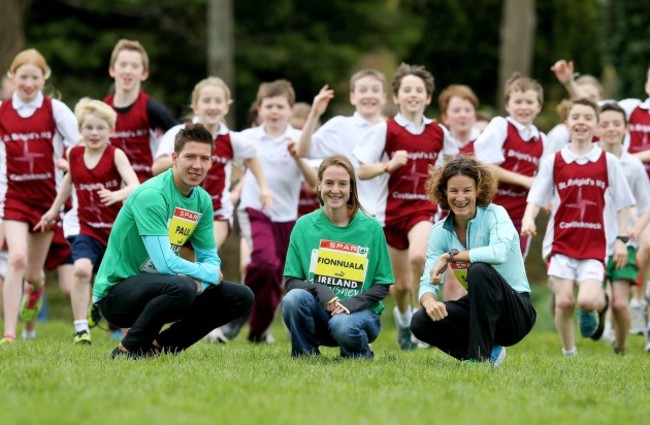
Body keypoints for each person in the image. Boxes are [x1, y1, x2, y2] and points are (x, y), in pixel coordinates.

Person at [92, 123, 254, 358]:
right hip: (117, 295)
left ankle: (159, 348)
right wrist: (203, 274)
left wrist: (205, 278)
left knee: (241, 297)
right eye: (190, 157)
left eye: (204, 158)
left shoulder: (202, 200)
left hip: (165, 287)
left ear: (211, 162)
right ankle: (128, 349)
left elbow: (209, 257)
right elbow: (165, 263)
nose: (197, 165)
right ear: (175, 158)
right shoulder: (152, 195)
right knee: (183, 286)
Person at [353, 63, 458, 350]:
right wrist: (389, 165)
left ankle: (420, 323)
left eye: (419, 90)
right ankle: (403, 318)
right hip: (390, 213)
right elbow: (361, 171)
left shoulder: (438, 132)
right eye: (407, 90)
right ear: (396, 97)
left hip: (423, 210)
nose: (413, 94)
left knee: (419, 257)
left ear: (427, 98)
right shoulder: (386, 130)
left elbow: (455, 163)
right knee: (397, 285)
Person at [521, 98, 634, 357]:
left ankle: (589, 312)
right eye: (576, 118)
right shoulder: (555, 161)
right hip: (561, 242)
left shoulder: (608, 162)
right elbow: (537, 196)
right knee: (564, 301)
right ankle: (569, 352)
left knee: (585, 300)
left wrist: (621, 238)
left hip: (595, 244)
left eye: (587, 118)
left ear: (596, 127)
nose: (581, 122)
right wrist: (528, 219)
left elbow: (623, 203)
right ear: (567, 123)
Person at [410, 156, 536, 366]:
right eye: (453, 191)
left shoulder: (496, 214)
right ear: (444, 192)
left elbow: (498, 253)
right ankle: (487, 355)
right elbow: (427, 281)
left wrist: (452, 256)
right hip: (478, 308)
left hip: (515, 312)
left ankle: (479, 358)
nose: (460, 197)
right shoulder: (440, 231)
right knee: (420, 321)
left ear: (478, 190)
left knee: (478, 270)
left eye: (467, 190)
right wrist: (429, 300)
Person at [35, 98, 140, 344]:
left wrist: (117, 194)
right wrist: (52, 212)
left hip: (115, 231)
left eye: (100, 128)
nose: (94, 133)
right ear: (80, 130)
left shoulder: (116, 155)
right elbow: (67, 184)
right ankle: (81, 327)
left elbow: (135, 185)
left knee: (119, 281)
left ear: (111, 131)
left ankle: (127, 331)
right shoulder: (74, 154)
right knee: (81, 269)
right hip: (86, 228)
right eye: (89, 128)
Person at [0, 48, 81, 344]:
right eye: (23, 77)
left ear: (43, 78)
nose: (28, 83)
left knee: (33, 275)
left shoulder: (55, 110)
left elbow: (79, 147)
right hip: (14, 197)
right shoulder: (2, 111)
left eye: (35, 77)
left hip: (47, 200)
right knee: (16, 259)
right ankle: (9, 331)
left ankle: (30, 329)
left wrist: (67, 160)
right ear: (13, 77)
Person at [282, 155, 393, 358]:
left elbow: (382, 286)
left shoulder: (372, 228)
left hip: (360, 315)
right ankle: (305, 356)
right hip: (320, 316)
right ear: (318, 185)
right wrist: (319, 288)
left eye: (342, 184)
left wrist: (350, 304)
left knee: (341, 324)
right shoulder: (303, 226)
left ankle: (358, 353)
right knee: (293, 299)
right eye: (329, 183)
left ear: (351, 188)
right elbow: (290, 282)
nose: (335, 190)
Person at [236, 80, 317, 343]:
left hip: (286, 218)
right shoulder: (247, 138)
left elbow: (313, 183)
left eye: (280, 106)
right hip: (255, 210)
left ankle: (258, 330)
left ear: (290, 110)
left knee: (274, 274)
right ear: (259, 109)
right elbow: (229, 164)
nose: (274, 111)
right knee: (265, 263)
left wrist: (298, 157)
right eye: (268, 106)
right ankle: (238, 309)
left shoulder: (298, 140)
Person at [151, 77, 271, 249]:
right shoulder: (179, 133)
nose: (213, 106)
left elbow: (251, 157)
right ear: (196, 106)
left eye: (218, 101)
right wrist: (185, 158)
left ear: (226, 107)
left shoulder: (232, 139)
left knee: (206, 256)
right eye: (207, 101)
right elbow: (156, 167)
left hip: (216, 213)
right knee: (180, 268)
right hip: (181, 211)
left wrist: (264, 187)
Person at [473, 73, 549, 259]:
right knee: (486, 265)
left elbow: (544, 182)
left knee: (513, 269)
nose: (524, 107)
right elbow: (486, 166)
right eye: (518, 102)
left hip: (519, 217)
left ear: (538, 106)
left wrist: (547, 200)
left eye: (529, 102)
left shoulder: (542, 141)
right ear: (508, 104)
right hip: (489, 213)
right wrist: (526, 181)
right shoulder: (500, 126)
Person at [297, 69, 388, 216]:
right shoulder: (339, 126)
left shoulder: (392, 129)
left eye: (375, 90)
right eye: (363, 90)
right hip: (350, 214)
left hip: (386, 215)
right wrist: (314, 114)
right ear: (352, 97)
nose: (369, 95)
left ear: (384, 97)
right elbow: (302, 151)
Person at [597, 102, 650, 353]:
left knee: (620, 304)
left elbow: (646, 205)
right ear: (597, 127)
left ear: (626, 128)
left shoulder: (634, 166)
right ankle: (594, 318)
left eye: (616, 124)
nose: (610, 129)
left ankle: (620, 346)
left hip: (624, 241)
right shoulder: (586, 161)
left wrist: (637, 229)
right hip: (592, 240)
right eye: (605, 124)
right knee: (592, 298)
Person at [103, 39, 178, 183]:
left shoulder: (151, 108)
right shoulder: (103, 109)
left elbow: (180, 134)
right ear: (112, 70)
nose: (128, 71)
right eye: (123, 65)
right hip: (112, 190)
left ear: (144, 74)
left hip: (146, 187)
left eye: (135, 66)